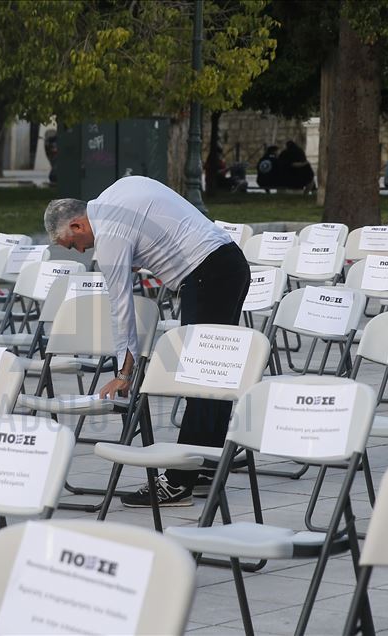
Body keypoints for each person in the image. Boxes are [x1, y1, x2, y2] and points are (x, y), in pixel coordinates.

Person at [43, 176, 251, 507]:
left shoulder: (108, 237)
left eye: (73, 244)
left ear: (78, 225)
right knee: (213, 378)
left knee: (199, 380)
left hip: (207, 276)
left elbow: (121, 308)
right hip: (229, 264)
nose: (81, 251)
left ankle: (179, 481)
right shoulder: (114, 192)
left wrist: (124, 373)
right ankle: (206, 467)